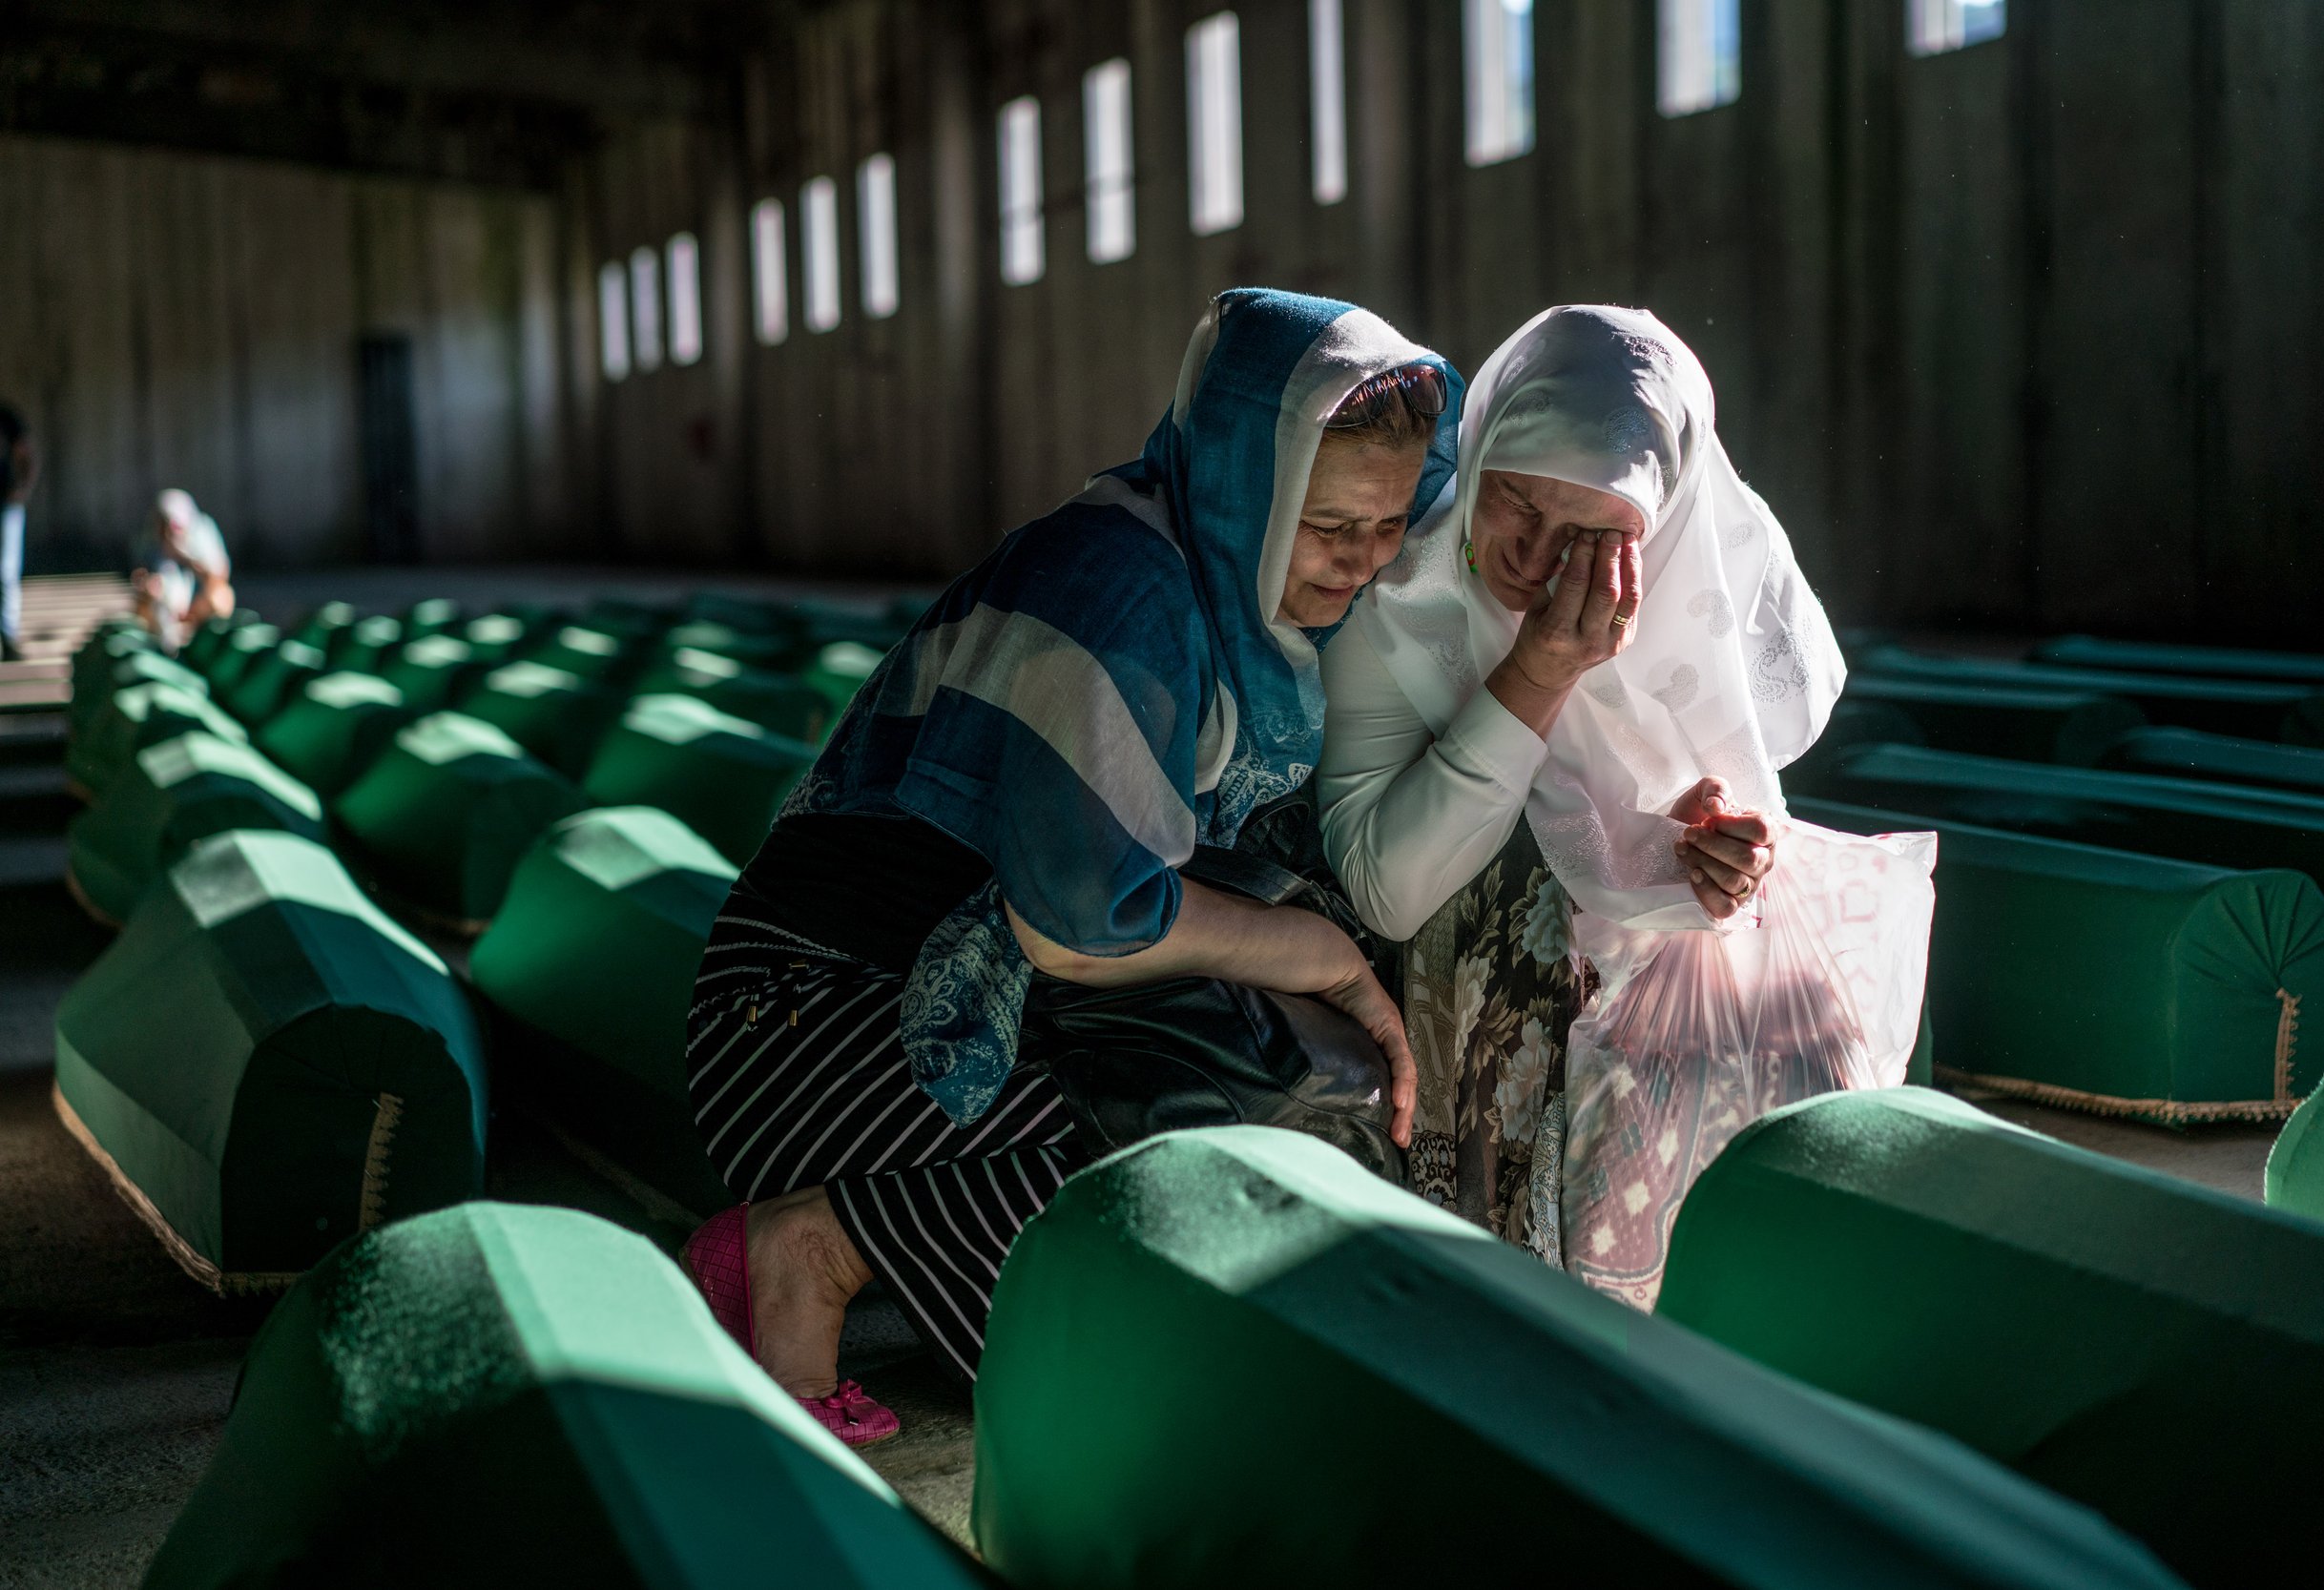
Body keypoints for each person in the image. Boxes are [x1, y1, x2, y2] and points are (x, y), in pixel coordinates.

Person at [677, 288, 1462, 1445]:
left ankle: (868, 1233)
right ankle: (811, 1244)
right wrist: (1322, 954)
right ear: (1246, 479)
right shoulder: (1120, 583)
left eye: (1390, 524)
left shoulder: (1230, 595)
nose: (1362, 561)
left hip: (957, 998)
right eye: (1328, 521)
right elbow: (1074, 924)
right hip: (804, 1019)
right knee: (1152, 1231)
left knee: (1233, 1164)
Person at [1319, 305, 1913, 1304]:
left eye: (1592, 530)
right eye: (1511, 501)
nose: (1533, 556)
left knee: (1787, 992)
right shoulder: (1403, 606)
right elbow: (1388, 890)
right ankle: (1567, 1287)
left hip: (1654, 974)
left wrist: (1724, 846)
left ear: (1665, 521)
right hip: (1487, 986)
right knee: (1538, 915)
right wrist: (1539, 676)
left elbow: (1716, 794)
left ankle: (1766, 1279)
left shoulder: (1701, 586)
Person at [131, 489, 235, 651]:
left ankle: (209, 642)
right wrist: (146, 586)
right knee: (144, 600)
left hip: (197, 604)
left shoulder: (201, 532)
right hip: (164, 606)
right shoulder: (150, 540)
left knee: (219, 597)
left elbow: (219, 576)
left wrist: (182, 556)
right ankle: (161, 645)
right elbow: (140, 573)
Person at [0, 404, 34, 664]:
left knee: (6, 572)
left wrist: (21, 490)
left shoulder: (6, 417)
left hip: (6, 504)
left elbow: (26, 455)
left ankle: (8, 636)